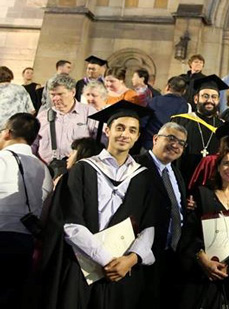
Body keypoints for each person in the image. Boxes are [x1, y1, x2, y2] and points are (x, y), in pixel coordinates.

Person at [41, 101, 156, 309]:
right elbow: (70, 222)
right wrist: (107, 259)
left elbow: (148, 226)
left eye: (132, 130)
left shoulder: (143, 177)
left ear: (138, 136)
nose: (125, 135)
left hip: (123, 271)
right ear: (107, 130)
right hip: (83, 267)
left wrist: (130, 259)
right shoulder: (83, 170)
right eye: (119, 128)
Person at [180, 147, 229, 309]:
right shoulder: (202, 195)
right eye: (226, 163)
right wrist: (201, 258)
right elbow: (190, 233)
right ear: (218, 167)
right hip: (203, 277)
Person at [0, 113, 53, 309]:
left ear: (8, 133)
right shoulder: (43, 167)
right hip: (25, 240)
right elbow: (47, 204)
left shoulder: (2, 158)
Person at [134, 122, 188, 308]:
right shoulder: (135, 165)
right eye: (171, 138)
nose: (176, 145)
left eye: (181, 143)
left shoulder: (176, 172)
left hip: (171, 256)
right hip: (142, 256)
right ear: (155, 139)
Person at [172, 74, 228, 183]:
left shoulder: (224, 127)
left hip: (212, 182)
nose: (210, 100)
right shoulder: (180, 122)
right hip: (183, 178)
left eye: (214, 97)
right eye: (205, 96)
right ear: (196, 99)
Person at [33, 74, 97, 170]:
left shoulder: (89, 113)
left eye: (60, 94)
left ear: (73, 92)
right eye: (52, 94)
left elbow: (99, 144)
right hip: (45, 171)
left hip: (77, 170)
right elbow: (33, 145)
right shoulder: (42, 116)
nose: (55, 99)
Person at [142, 76, 190, 150]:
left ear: (167, 87)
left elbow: (143, 122)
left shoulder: (154, 101)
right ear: (184, 91)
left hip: (149, 145)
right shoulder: (186, 106)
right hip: (171, 148)